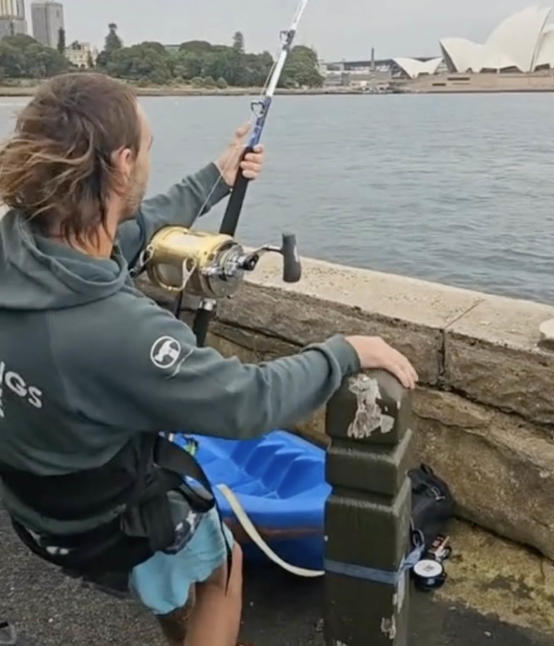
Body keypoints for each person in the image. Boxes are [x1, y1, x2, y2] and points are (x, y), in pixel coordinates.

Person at [0, 73, 418, 646]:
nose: (150, 157)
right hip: (91, 525)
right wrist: (343, 352)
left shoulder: (19, 246)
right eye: (147, 148)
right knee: (223, 565)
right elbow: (248, 402)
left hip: (29, 499)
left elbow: (134, 229)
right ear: (122, 163)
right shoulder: (116, 332)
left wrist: (218, 177)